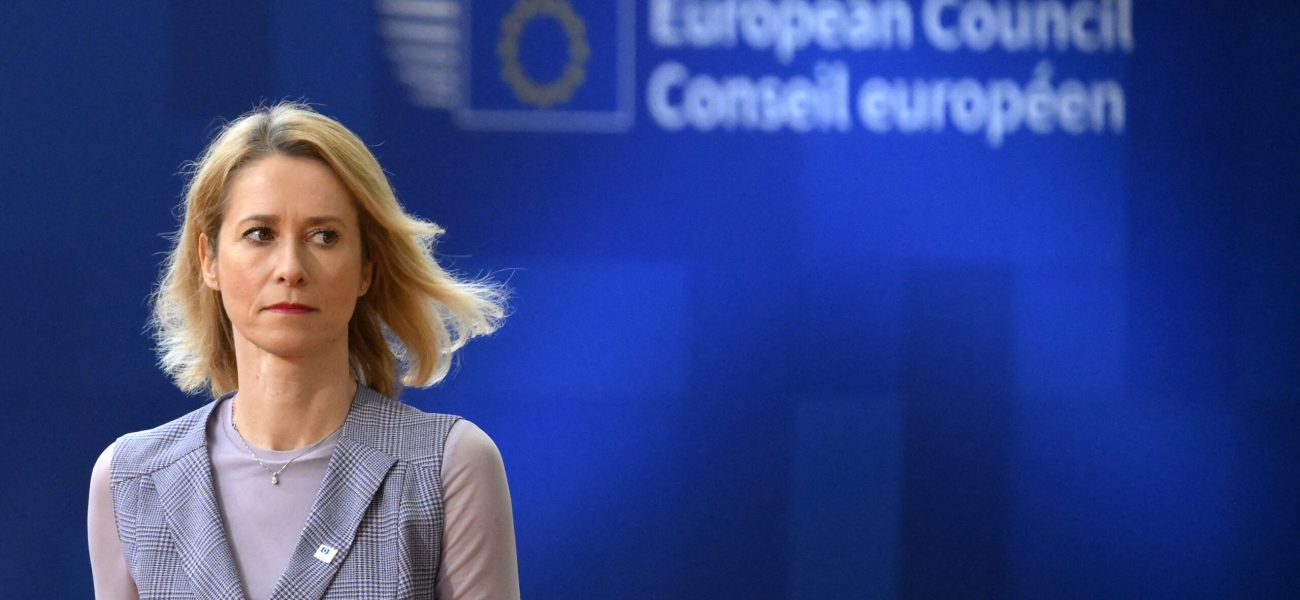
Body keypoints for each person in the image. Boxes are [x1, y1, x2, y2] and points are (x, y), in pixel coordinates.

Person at [87, 103, 519, 599]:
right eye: (260, 234)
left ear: (366, 269)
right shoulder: (131, 478)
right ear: (209, 261)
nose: (290, 268)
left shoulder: (446, 466)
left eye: (324, 236)